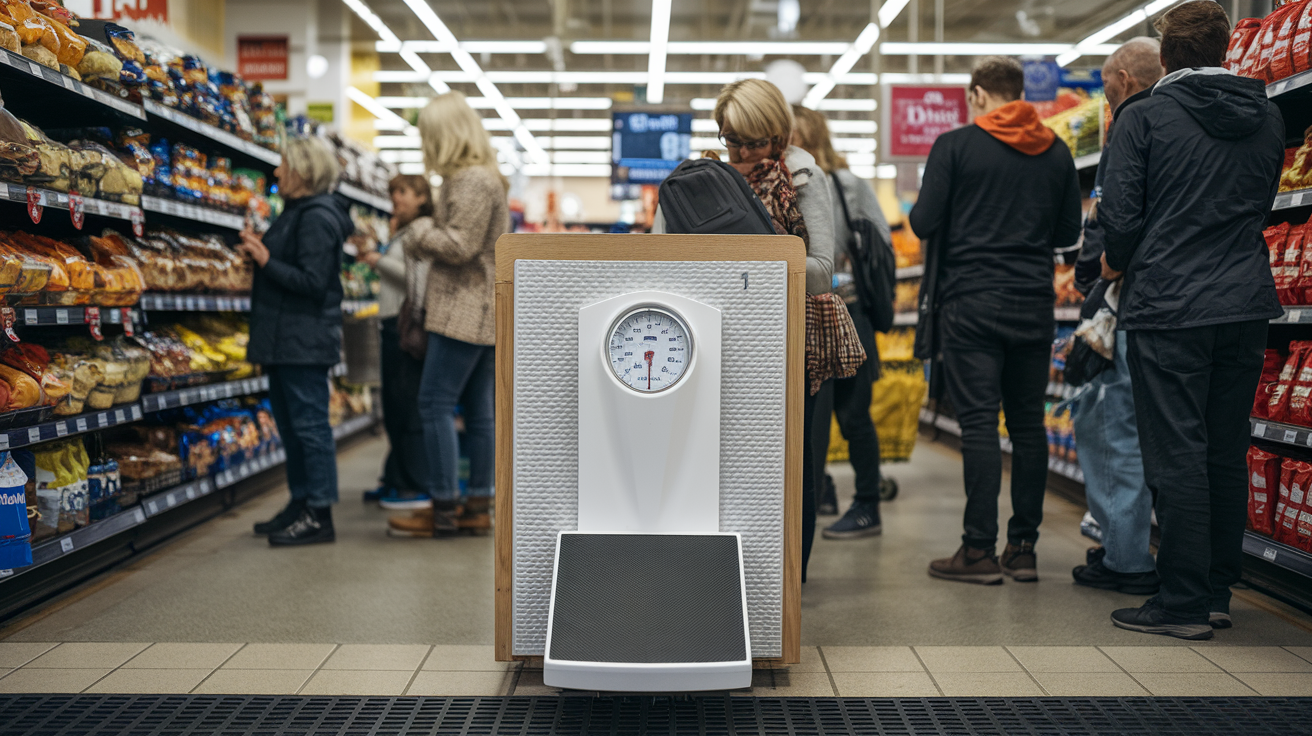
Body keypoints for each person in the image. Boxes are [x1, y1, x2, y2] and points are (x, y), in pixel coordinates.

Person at [1099, 1, 1284, 639]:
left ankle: (1177, 603)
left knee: (1177, 452)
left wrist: (1119, 263)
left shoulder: (1143, 117)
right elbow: (1259, 205)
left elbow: (1119, 222)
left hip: (1171, 305)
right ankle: (1213, 594)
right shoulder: (1267, 115)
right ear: (1225, 49)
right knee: (1226, 453)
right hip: (1245, 303)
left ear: (1167, 53)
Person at [910, 56, 1081, 584]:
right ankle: (1023, 548)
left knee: (980, 424)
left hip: (970, 304)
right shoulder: (1055, 151)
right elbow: (1067, 234)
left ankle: (978, 550)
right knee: (1028, 425)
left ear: (980, 94)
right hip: (1032, 303)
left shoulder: (955, 146)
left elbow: (922, 222)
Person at [656, 79, 836, 580]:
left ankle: (786, 581)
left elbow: (823, 268)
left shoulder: (801, 176)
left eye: (753, 142)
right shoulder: (694, 180)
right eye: (731, 138)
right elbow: (657, 258)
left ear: (779, 135)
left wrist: (755, 253)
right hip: (708, 341)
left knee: (789, 463)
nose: (740, 152)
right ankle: (716, 571)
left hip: (784, 342)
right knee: (714, 457)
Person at [387, 92, 510, 537]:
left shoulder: (471, 181)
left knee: (434, 403)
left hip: (464, 309)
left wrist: (418, 229)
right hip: (480, 310)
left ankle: (444, 507)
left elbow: (460, 246)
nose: (425, 146)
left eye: (428, 136)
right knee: (478, 413)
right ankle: (476, 506)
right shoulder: (480, 178)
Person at [1068, 38, 1164, 595]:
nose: (1103, 95)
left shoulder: (1133, 124)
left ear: (1124, 78)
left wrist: (1100, 270)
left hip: (1125, 301)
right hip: (1177, 306)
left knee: (1110, 425)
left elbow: (1116, 222)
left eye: (1105, 84)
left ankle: (1126, 557)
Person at [239, 137, 354, 546]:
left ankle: (319, 514)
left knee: (309, 428)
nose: (276, 171)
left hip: (303, 341)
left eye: (283, 163)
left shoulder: (317, 217)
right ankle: (301, 501)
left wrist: (267, 260)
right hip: (286, 339)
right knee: (291, 427)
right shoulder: (298, 212)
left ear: (303, 170)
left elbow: (313, 282)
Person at [791, 104, 891, 540]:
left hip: (846, 313)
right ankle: (822, 490)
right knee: (808, 416)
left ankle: (868, 503)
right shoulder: (780, 183)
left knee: (852, 415)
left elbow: (881, 244)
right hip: (801, 314)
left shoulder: (845, 185)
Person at [358, 175, 432, 510]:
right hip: (391, 325)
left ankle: (412, 483)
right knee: (394, 406)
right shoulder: (403, 232)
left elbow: (413, 278)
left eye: (402, 192)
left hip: (406, 328)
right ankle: (396, 476)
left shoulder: (421, 232)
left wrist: (377, 260)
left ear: (421, 197)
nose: (395, 198)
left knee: (406, 404)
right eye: (393, 193)